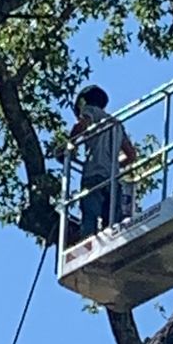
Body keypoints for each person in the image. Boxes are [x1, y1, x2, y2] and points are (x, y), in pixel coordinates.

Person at [69, 84, 134, 241]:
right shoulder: (116, 123)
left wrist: (69, 146)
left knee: (90, 216)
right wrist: (115, 165)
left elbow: (81, 125)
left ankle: (87, 242)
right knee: (111, 222)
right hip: (112, 179)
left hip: (93, 174)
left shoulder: (89, 111)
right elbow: (131, 155)